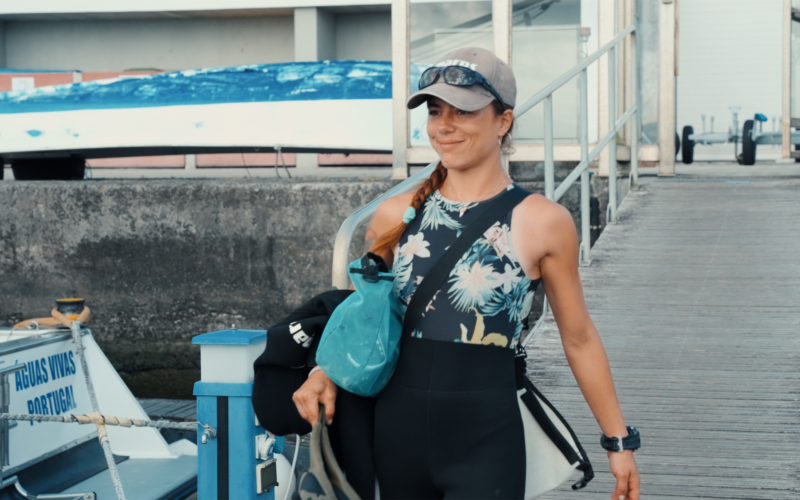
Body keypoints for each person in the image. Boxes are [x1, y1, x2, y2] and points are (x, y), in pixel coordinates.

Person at [293, 47, 640, 500]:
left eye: (463, 111)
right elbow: (367, 318)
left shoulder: (543, 221)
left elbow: (579, 337)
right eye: (436, 111)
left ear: (504, 121)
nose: (444, 126)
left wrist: (618, 441)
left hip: (487, 440)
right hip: (396, 436)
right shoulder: (396, 214)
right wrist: (325, 371)